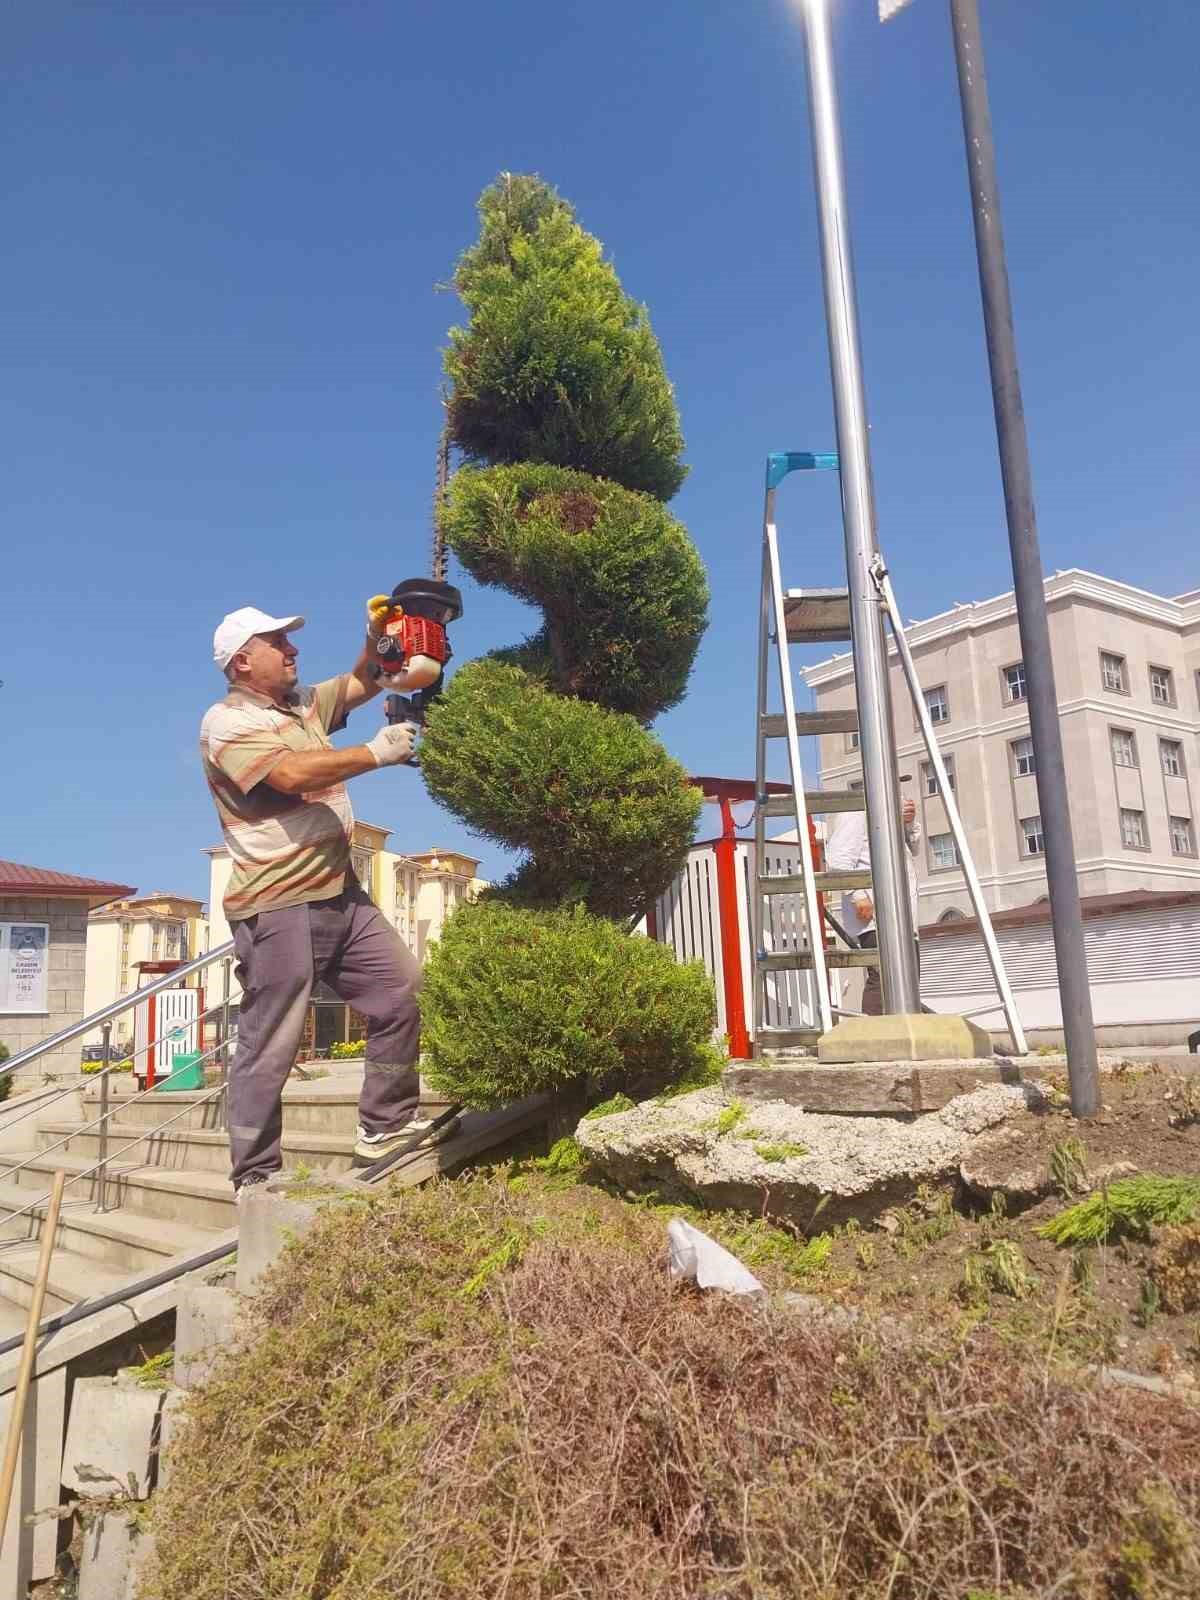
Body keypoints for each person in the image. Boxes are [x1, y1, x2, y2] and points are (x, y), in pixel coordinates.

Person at [199, 601, 454, 1193]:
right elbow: (288, 776)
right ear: (242, 661)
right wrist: (376, 752)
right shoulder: (226, 722)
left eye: (290, 641)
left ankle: (384, 1125)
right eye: (277, 643)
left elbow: (367, 679)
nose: (292, 650)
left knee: (401, 990)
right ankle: (256, 1176)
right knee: (271, 1041)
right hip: (278, 902)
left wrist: (379, 637)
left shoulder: (302, 705)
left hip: (341, 893)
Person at [823, 780, 922, 1016]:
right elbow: (838, 859)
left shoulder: (890, 811)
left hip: (903, 910)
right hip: (875, 910)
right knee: (883, 975)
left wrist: (908, 824)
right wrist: (858, 895)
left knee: (909, 975)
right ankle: (878, 1033)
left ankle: (902, 1028)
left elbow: (913, 849)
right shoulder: (857, 810)